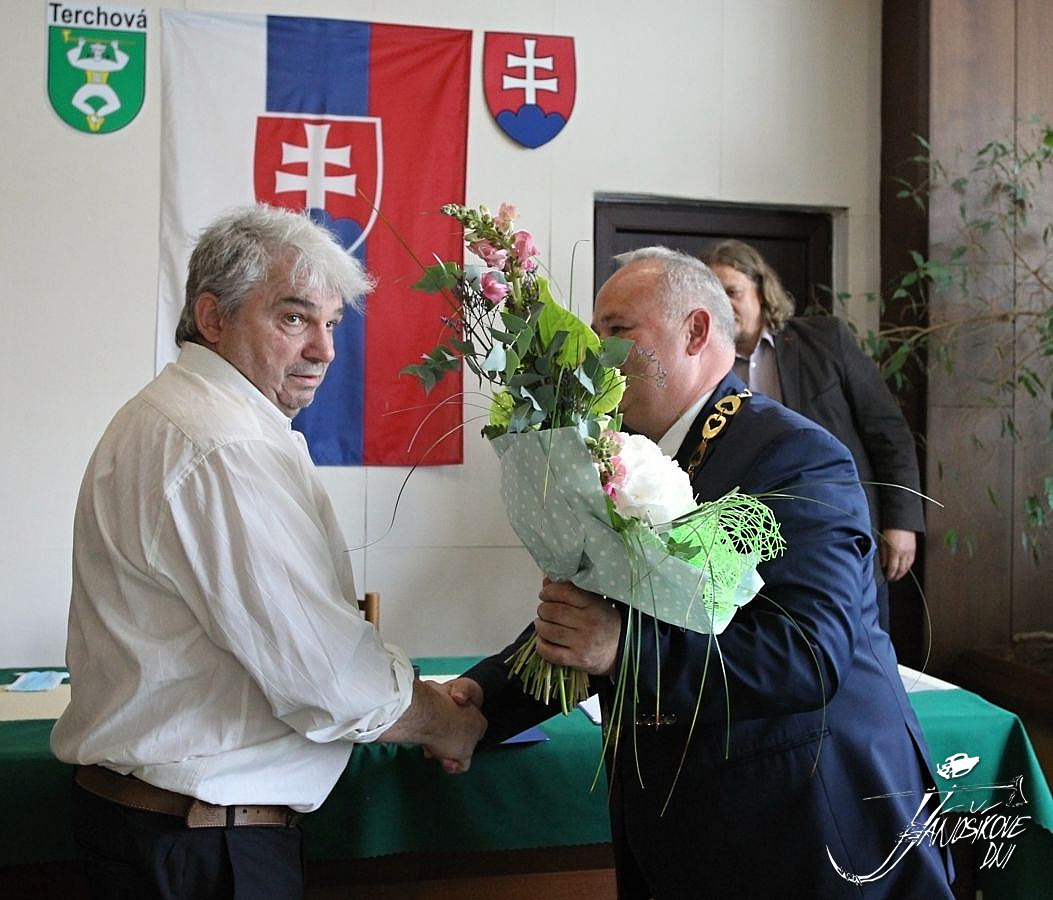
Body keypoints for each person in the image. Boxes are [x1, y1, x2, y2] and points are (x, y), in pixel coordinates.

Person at [445, 248, 953, 898]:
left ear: (694, 332)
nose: (594, 351)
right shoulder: (631, 455)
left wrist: (625, 649)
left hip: (802, 831)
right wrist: (480, 701)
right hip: (687, 829)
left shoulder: (791, 455)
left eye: (617, 329)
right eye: (594, 330)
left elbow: (806, 654)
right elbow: (590, 621)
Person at [51, 204, 486, 899]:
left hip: (164, 832)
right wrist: (441, 721)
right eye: (293, 318)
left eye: (332, 323)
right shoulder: (222, 442)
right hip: (203, 845)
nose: (324, 350)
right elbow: (325, 676)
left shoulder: (175, 414)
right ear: (213, 317)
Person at [700, 238, 924, 634]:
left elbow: (887, 432)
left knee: (861, 646)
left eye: (732, 291)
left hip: (840, 528)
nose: (724, 303)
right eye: (714, 295)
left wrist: (901, 522)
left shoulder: (825, 340)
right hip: (748, 550)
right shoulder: (704, 364)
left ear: (761, 291)